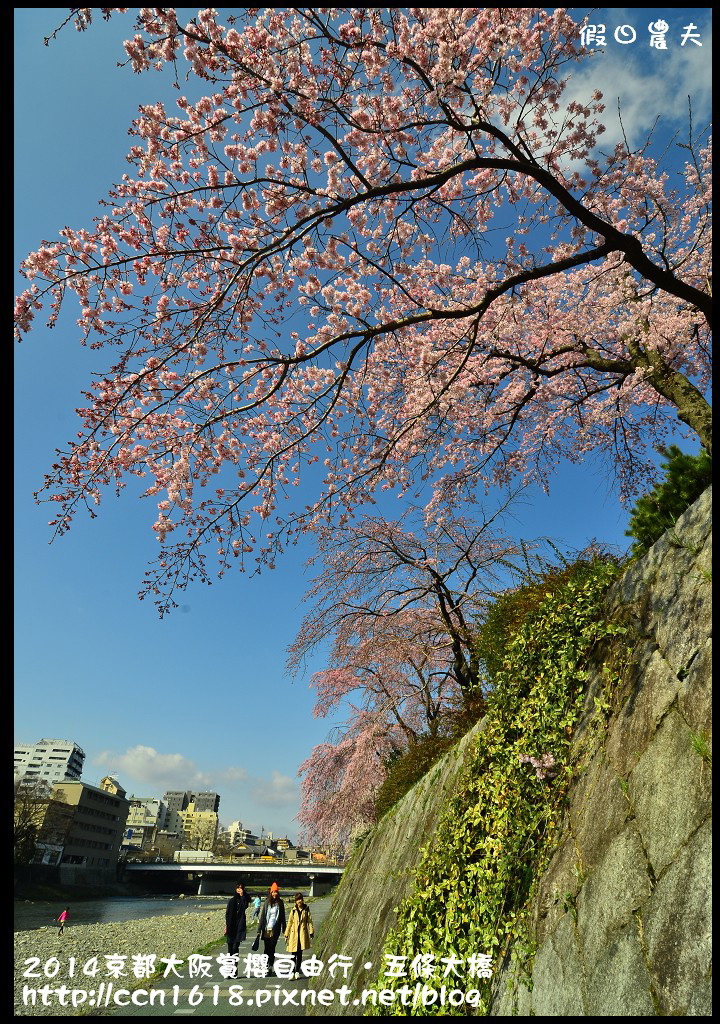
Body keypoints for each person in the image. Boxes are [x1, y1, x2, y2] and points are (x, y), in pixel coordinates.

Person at [255, 882, 286, 975]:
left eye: (276, 892)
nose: (274, 894)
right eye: (273, 892)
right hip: (266, 929)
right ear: (270, 892)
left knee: (272, 948)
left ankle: (270, 966)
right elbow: (262, 917)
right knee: (266, 949)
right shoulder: (267, 903)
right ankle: (266, 966)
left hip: (275, 929)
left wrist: (284, 930)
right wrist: (258, 930)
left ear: (278, 893)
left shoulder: (280, 903)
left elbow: (283, 918)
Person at [284, 892, 314, 979]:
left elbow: (309, 921)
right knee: (293, 954)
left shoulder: (306, 909)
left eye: (300, 899)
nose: (299, 901)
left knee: (300, 953)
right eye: (297, 900)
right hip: (294, 935)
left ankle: (297, 971)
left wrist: (311, 931)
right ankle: (292, 971)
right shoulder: (293, 910)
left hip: (302, 934)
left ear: (302, 900)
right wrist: (286, 934)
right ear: (295, 901)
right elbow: (289, 922)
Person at [225, 881, 250, 972]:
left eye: (241, 888)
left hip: (239, 928)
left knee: (235, 948)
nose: (239, 889)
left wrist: (243, 896)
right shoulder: (231, 901)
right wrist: (227, 926)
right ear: (235, 889)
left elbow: (245, 906)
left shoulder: (244, 900)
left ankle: (234, 970)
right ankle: (229, 970)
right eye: (238, 888)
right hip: (231, 927)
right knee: (230, 950)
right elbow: (227, 914)